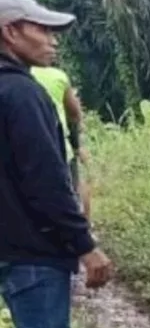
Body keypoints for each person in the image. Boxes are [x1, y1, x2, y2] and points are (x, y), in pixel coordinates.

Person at [0, 0, 114, 328]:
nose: (53, 41)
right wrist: (86, 246)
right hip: (35, 248)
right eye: (43, 29)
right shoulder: (23, 94)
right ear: (10, 32)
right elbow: (48, 182)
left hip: (6, 246)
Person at [31, 63, 91, 220]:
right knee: (74, 188)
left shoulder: (8, 78)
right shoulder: (58, 76)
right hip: (59, 146)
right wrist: (78, 145)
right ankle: (84, 229)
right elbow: (75, 115)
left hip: (21, 150)